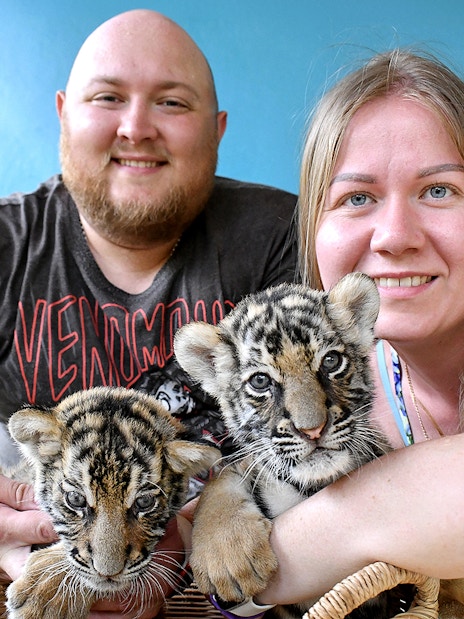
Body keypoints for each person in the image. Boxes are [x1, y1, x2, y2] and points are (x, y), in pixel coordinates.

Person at [0, 8, 297, 618]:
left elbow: (318, 435)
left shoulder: (282, 236)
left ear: (216, 130)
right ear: (63, 115)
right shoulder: (6, 244)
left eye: (171, 103)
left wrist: (206, 513)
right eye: (108, 97)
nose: (136, 128)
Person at [248, 48, 464, 611]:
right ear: (314, 231)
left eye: (439, 190)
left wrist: (336, 527)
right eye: (357, 197)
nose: (395, 236)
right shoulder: (328, 388)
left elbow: (255, 581)